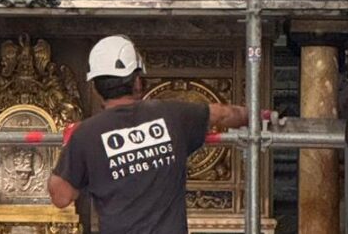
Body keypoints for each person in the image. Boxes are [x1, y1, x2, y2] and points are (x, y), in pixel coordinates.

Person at [47, 35, 255, 234]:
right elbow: (224, 114)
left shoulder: (86, 135)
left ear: (94, 85)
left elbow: (61, 196)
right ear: (137, 81)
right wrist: (261, 115)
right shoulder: (173, 115)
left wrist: (70, 149)